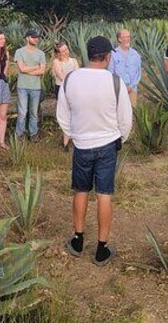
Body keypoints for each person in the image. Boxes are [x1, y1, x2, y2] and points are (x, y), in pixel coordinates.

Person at [57, 36, 133, 267]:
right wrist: (120, 137)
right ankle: (101, 248)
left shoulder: (71, 79)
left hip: (82, 145)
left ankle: (78, 240)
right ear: (108, 57)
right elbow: (125, 118)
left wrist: (75, 133)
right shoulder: (114, 81)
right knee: (104, 194)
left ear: (88, 54)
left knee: (80, 191)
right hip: (107, 144)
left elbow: (63, 114)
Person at [14, 30, 46, 142]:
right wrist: (35, 67)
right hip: (22, 86)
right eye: (33, 37)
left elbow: (42, 71)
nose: (36, 39)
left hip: (36, 87)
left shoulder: (41, 53)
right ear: (27, 38)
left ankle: (33, 134)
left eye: (37, 37)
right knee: (22, 112)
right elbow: (21, 68)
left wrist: (27, 69)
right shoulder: (19, 52)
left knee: (34, 112)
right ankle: (19, 134)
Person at [52, 40, 79, 150]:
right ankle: (65, 142)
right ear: (58, 53)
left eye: (66, 49)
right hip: (62, 89)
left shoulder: (74, 61)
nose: (66, 52)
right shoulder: (56, 62)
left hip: (74, 89)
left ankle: (73, 140)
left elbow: (78, 74)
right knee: (65, 114)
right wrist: (71, 77)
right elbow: (61, 76)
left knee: (74, 114)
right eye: (63, 51)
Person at [108, 29, 141, 108]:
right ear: (119, 39)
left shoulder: (135, 54)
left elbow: (138, 73)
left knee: (132, 111)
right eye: (125, 37)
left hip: (132, 89)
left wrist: (131, 86)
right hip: (118, 89)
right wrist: (121, 87)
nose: (128, 39)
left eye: (129, 36)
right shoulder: (113, 54)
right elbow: (111, 72)